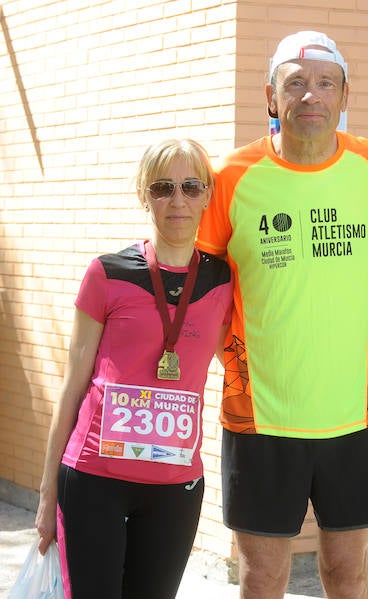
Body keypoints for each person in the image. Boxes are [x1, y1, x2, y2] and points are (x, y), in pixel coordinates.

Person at [195, 31, 368, 599]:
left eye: (324, 83)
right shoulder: (231, 177)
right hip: (260, 413)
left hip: (355, 412)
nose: (310, 96)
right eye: (295, 84)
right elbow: (205, 288)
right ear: (271, 97)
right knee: (263, 576)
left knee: (347, 573)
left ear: (343, 94)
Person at [34, 139, 233, 598]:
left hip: (174, 486)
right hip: (93, 480)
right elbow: (72, 387)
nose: (178, 200)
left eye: (190, 186)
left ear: (207, 195)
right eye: (163, 187)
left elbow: (243, 360)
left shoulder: (223, 280)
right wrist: (47, 496)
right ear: (145, 195)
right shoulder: (107, 273)